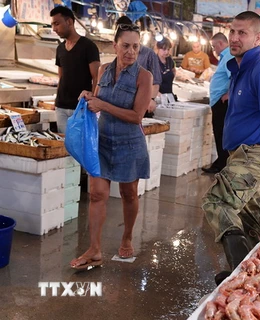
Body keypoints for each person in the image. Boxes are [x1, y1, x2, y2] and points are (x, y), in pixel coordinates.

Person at [201, 11, 260, 285]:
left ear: (258, 37)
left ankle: (242, 276)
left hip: (253, 154)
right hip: (240, 154)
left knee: (217, 202)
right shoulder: (238, 69)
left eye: (242, 33)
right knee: (249, 221)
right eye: (233, 31)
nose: (235, 38)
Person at [70, 23, 153, 269]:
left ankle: (127, 236)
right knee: (97, 194)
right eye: (126, 46)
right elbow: (97, 99)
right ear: (114, 45)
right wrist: (89, 95)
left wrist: (102, 106)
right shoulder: (104, 70)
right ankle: (95, 250)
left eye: (135, 47)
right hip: (103, 142)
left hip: (130, 143)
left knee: (129, 194)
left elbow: (137, 116)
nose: (130, 51)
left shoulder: (143, 76)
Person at [50, 6, 100, 133]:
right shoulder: (60, 49)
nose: (54, 29)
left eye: (57, 24)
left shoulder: (89, 46)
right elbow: (61, 77)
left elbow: (97, 77)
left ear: (69, 22)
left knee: (78, 146)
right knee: (63, 148)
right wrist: (56, 101)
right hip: (61, 107)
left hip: (80, 107)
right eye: (52, 25)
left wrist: (93, 101)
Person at [201, 32, 234, 174]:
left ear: (221, 44)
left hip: (222, 102)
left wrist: (229, 94)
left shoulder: (228, 56)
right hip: (218, 100)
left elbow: (234, 77)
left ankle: (221, 163)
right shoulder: (226, 56)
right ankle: (221, 161)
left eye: (214, 46)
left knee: (220, 132)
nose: (214, 50)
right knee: (219, 132)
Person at [116, 16, 161, 116]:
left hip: (141, 106)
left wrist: (151, 99)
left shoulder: (149, 54)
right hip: (120, 107)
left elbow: (156, 82)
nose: (130, 51)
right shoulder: (115, 56)